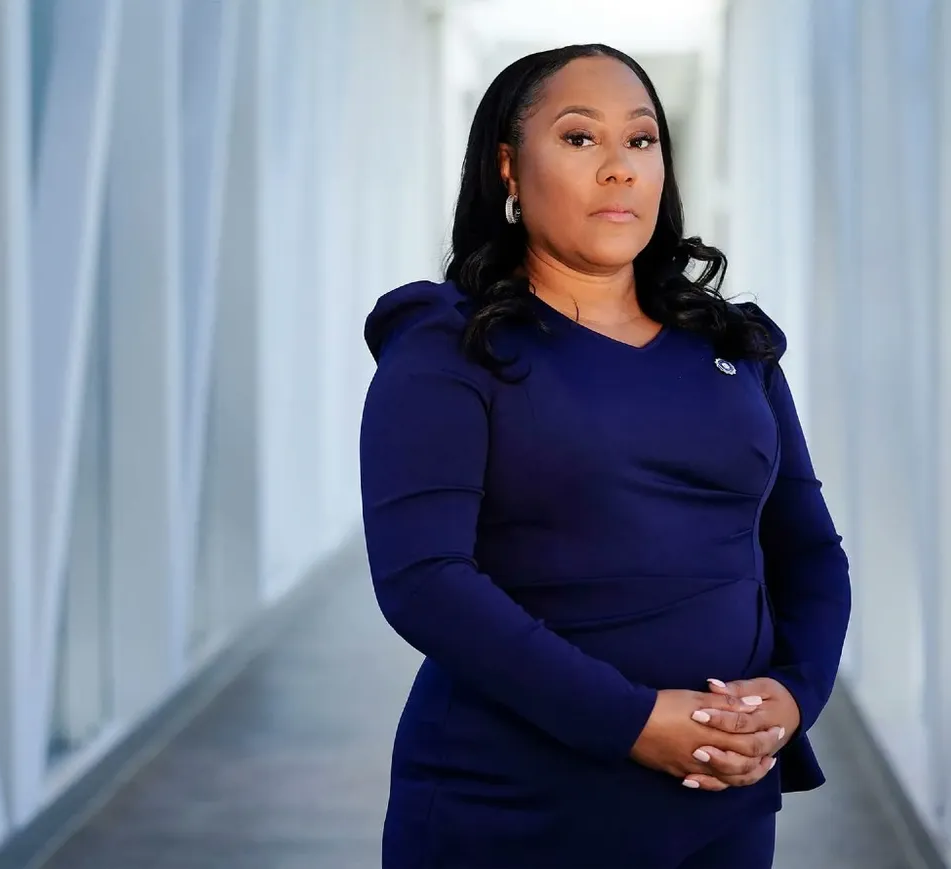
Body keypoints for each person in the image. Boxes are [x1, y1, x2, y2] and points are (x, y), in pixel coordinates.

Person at [359, 43, 851, 869]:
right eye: (580, 137)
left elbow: (808, 548)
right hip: (514, 809)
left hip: (720, 806)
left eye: (641, 139)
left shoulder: (735, 346)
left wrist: (795, 693)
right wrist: (633, 721)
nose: (619, 167)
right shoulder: (447, 347)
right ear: (509, 167)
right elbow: (424, 580)